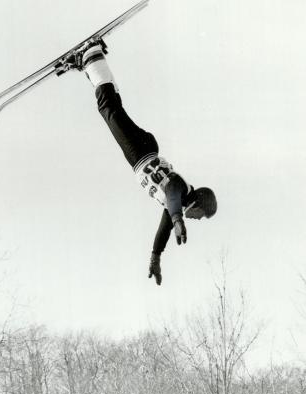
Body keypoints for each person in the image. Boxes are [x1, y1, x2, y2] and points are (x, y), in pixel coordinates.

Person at [72, 40, 217, 285]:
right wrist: (178, 220)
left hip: (142, 151)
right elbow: (170, 192)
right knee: (109, 109)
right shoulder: (180, 190)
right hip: (141, 152)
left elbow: (164, 230)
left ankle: (93, 65)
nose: (198, 219)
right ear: (200, 201)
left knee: (113, 109)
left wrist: (155, 258)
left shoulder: (176, 206)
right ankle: (92, 56)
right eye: (201, 215)